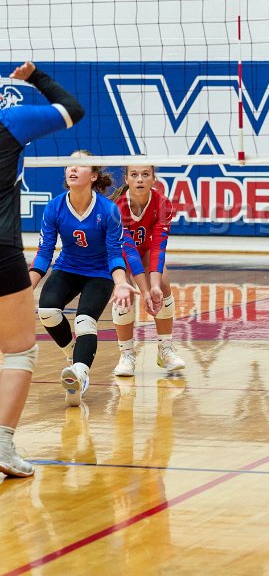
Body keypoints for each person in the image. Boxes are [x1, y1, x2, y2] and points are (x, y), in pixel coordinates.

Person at [0, 61, 84, 477]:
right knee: (18, 350)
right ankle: (2, 445)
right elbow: (72, 109)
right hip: (1, 251)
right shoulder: (11, 121)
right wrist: (36, 77)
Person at [29, 152, 152, 408]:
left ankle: (80, 375)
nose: (72, 169)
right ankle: (72, 356)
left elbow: (114, 253)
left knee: (85, 321)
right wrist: (26, 287)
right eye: (69, 165)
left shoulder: (108, 210)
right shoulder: (55, 207)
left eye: (80, 165)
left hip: (100, 274)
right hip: (68, 267)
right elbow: (44, 251)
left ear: (93, 176)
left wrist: (120, 282)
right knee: (47, 311)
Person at [111, 164, 185, 376]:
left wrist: (154, 287)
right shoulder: (117, 208)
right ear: (126, 179)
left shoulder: (162, 203)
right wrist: (144, 291)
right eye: (134, 175)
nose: (140, 179)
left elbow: (158, 246)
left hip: (144, 250)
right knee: (124, 291)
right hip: (117, 253)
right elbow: (128, 250)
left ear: (154, 179)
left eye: (145, 174)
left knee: (163, 284)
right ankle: (126, 354)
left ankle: (165, 349)